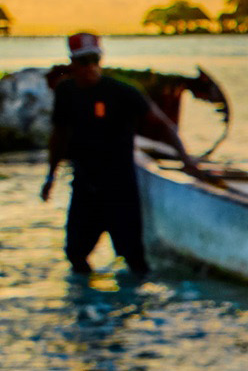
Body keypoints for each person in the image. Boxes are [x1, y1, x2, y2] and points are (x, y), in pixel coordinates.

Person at [39, 32, 194, 276]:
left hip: (120, 188)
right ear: (72, 62)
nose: (90, 67)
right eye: (83, 61)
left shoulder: (122, 92)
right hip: (85, 187)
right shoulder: (66, 92)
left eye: (94, 60)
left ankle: (133, 308)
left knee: (134, 258)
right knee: (75, 254)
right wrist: (50, 177)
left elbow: (163, 124)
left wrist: (188, 162)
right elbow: (59, 135)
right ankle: (90, 308)